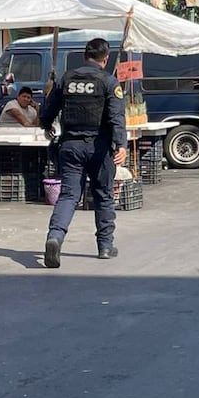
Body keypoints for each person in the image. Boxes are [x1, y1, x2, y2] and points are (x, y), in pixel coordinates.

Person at [39, 38, 127, 268]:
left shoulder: (67, 79)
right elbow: (116, 117)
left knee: (68, 196)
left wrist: (46, 124)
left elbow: (48, 109)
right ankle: (105, 246)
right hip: (99, 148)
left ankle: (55, 237)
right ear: (105, 59)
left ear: (85, 55)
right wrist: (121, 145)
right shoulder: (109, 82)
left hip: (71, 146)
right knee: (103, 195)